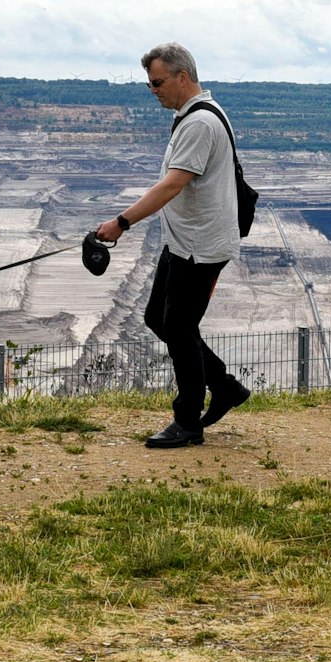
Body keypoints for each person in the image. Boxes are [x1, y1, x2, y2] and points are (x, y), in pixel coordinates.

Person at [93, 43, 251, 448]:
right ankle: (226, 387)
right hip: (185, 241)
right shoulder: (197, 116)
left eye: (158, 83)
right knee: (159, 320)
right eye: (150, 85)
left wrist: (122, 222)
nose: (154, 91)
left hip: (200, 245)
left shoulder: (199, 123)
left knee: (178, 328)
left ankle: (188, 422)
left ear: (183, 77)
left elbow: (173, 183)